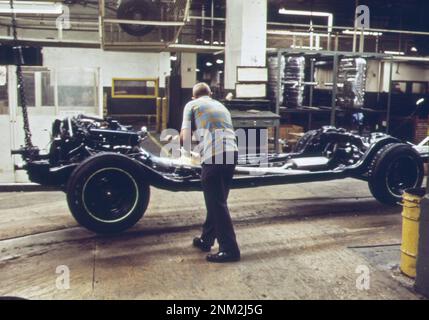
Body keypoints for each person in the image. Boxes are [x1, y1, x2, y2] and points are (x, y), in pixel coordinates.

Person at [180, 83, 240, 263]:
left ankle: (230, 250)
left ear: (193, 97)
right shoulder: (221, 105)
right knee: (217, 201)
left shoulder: (191, 105)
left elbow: (185, 139)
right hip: (232, 154)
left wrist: (183, 145)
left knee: (216, 203)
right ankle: (206, 240)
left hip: (215, 155)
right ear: (211, 94)